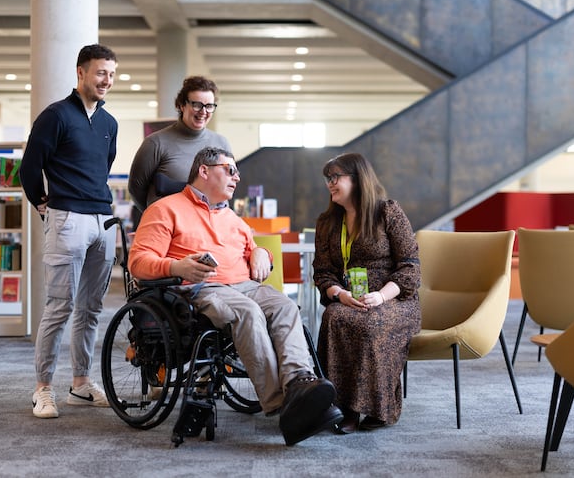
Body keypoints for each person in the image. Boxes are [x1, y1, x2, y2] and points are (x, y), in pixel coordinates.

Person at [128, 146, 343, 445]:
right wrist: (176, 266)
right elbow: (138, 262)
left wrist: (261, 253)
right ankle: (282, 403)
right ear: (204, 171)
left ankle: (299, 382)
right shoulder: (165, 209)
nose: (237, 178)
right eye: (230, 170)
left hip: (245, 285)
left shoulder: (231, 217)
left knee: (285, 306)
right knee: (247, 312)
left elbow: (252, 247)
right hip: (200, 288)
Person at [20, 44, 119, 419]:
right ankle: (42, 389)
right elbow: (30, 167)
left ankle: (80, 384)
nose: (107, 80)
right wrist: (40, 202)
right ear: (81, 73)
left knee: (91, 308)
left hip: (102, 220)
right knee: (59, 306)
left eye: (111, 74)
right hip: (67, 219)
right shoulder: (56, 115)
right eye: (101, 72)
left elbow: (103, 168)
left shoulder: (109, 124)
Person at [312, 152, 421, 434]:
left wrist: (381, 296)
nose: (330, 183)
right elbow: (322, 272)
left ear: (358, 179)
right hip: (350, 298)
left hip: (394, 299)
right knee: (334, 317)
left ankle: (376, 408)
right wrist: (339, 294)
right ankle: (342, 408)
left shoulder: (388, 212)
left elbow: (410, 266)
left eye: (336, 177)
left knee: (370, 323)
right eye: (328, 178)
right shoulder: (327, 222)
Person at [128, 75, 231, 216]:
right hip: (168, 225)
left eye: (209, 106)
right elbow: (136, 189)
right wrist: (155, 216)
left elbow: (226, 189)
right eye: (196, 105)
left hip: (210, 225)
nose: (203, 112)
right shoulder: (155, 143)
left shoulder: (221, 144)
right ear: (182, 105)